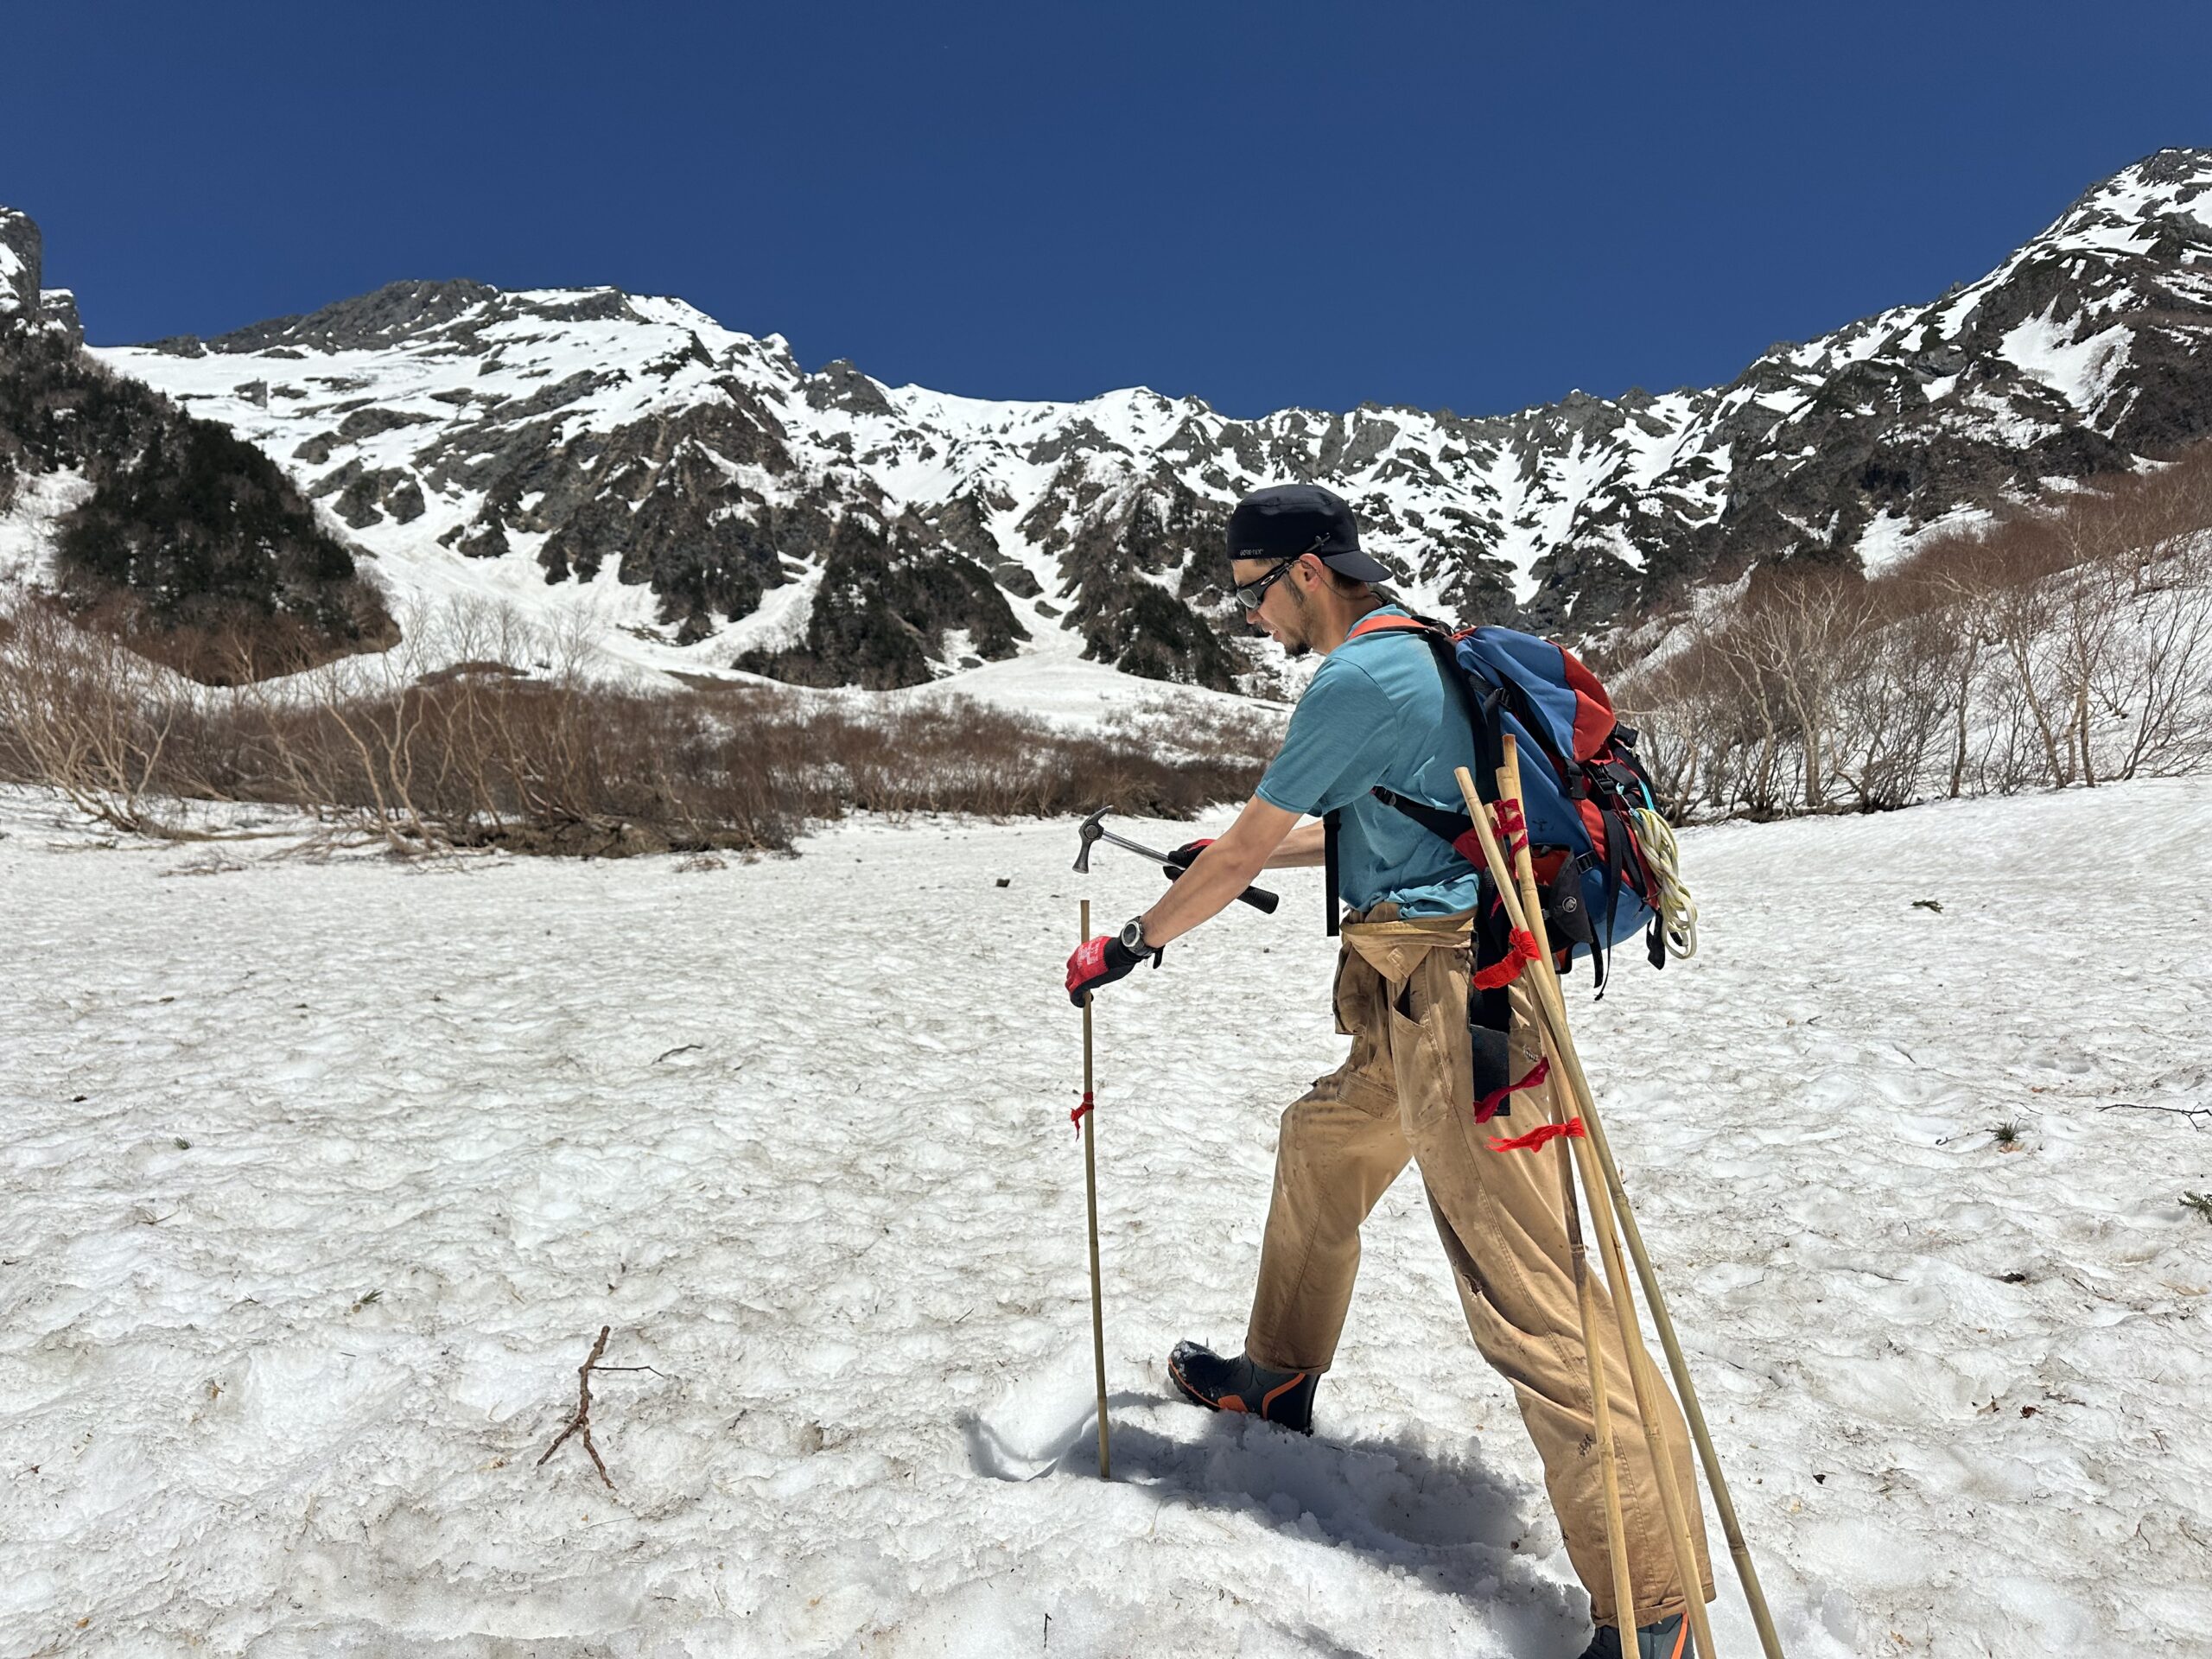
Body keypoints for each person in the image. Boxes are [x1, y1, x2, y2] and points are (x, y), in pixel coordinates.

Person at [1062, 483, 1715, 1659]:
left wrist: (1133, 941)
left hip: (1459, 1009)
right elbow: (1376, 817)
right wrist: (1235, 845)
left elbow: (1259, 845)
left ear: (1307, 572)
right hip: (1411, 998)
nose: (1252, 618)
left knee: (1533, 1303)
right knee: (1322, 1145)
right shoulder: (1417, 650)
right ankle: (1275, 1376)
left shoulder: (1357, 676)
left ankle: (1653, 1606)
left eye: (1251, 594)